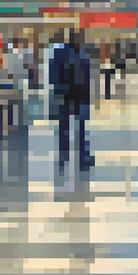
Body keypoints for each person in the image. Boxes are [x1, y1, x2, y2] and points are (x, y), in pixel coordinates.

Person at [50, 30, 93, 174]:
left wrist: (88, 95)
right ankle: (64, 157)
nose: (79, 40)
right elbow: (55, 73)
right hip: (66, 96)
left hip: (81, 96)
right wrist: (59, 91)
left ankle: (83, 157)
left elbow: (87, 75)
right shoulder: (61, 53)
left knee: (82, 128)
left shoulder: (83, 53)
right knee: (64, 129)